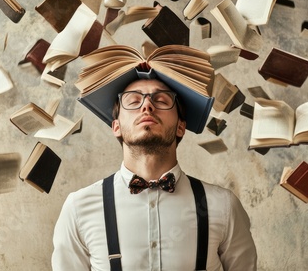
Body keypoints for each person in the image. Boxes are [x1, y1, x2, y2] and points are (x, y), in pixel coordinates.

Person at [52, 77, 257, 270]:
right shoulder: (78, 208)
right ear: (116, 127)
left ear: (180, 127)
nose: (147, 106)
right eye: (133, 101)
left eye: (161, 100)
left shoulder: (223, 206)